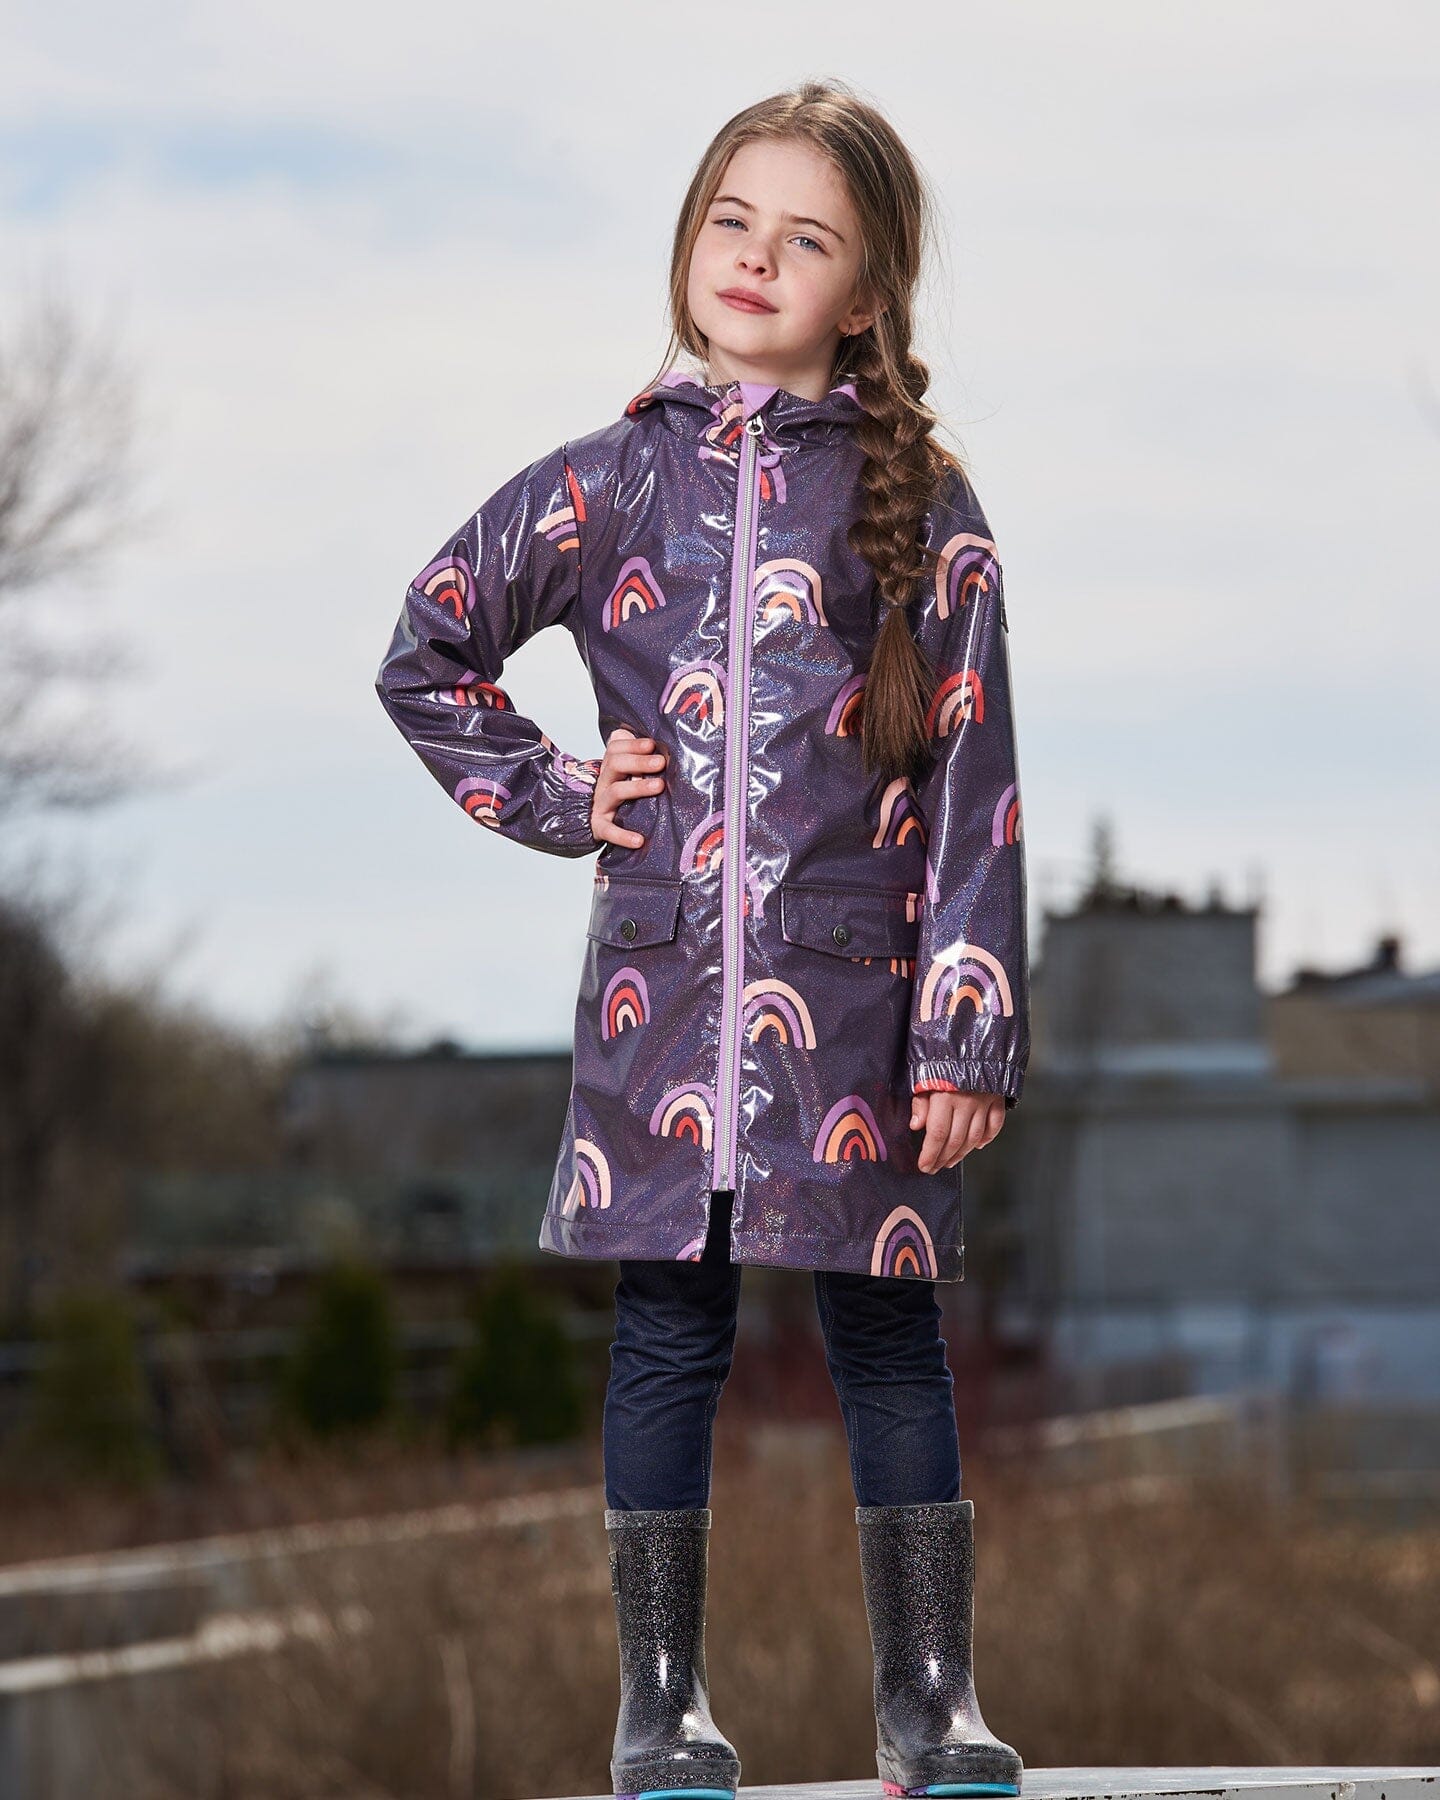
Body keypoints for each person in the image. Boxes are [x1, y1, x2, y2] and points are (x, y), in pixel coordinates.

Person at [376, 78, 1028, 1800]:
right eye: (732, 221)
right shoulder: (606, 483)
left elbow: (977, 779)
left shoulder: (929, 509)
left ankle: (933, 1704)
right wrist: (557, 790)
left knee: (888, 1334)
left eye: (805, 239)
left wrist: (968, 1028)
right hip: (662, 1001)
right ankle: (658, 1711)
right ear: (688, 236)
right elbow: (427, 650)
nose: (755, 258)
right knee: (668, 1335)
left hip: (861, 1007)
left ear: (865, 294)